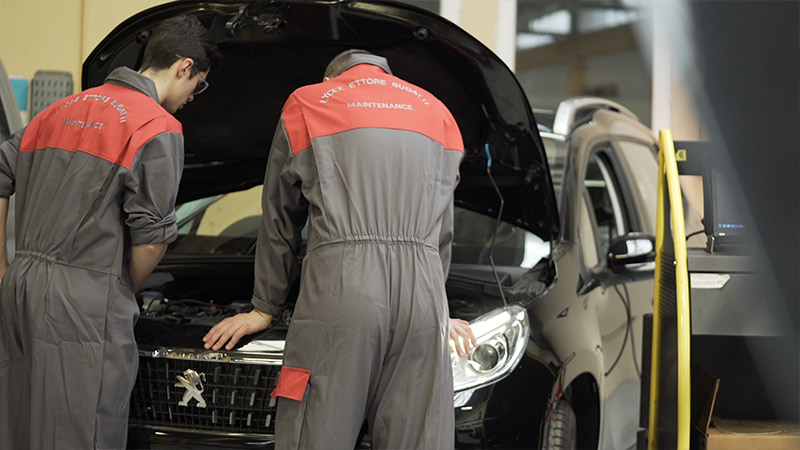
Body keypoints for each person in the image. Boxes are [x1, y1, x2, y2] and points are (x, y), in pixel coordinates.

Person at [202, 49, 474, 449]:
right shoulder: (436, 110)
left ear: (331, 79)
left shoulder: (309, 102)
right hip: (423, 297)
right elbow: (441, 229)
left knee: (317, 433)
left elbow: (280, 217)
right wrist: (437, 306)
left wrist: (265, 307)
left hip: (342, 288)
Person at [0, 15, 219, 450]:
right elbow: (152, 238)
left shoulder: (61, 108)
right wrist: (122, 289)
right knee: (86, 432)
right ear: (184, 67)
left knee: (19, 426)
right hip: (86, 301)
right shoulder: (157, 127)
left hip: (20, 290)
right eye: (199, 85)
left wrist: (4, 267)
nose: (193, 97)